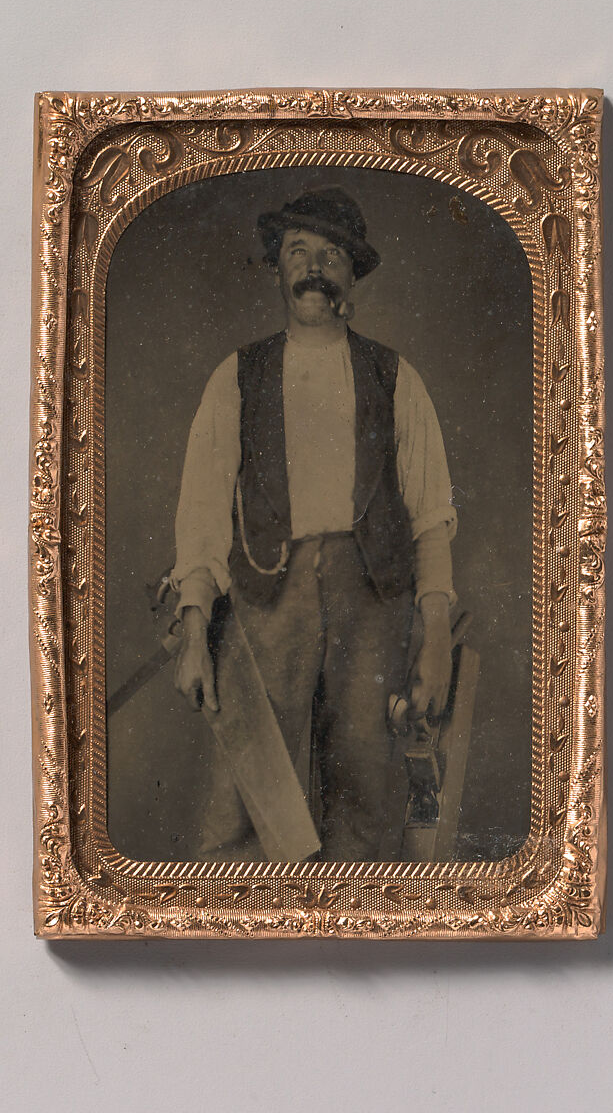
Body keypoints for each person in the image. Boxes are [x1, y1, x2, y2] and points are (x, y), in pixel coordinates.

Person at [170, 186, 457, 860]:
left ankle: (348, 945)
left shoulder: (395, 377)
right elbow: (202, 512)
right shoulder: (236, 377)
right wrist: (191, 632)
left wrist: (436, 636)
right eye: (297, 252)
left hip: (372, 603)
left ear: (351, 273)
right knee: (243, 797)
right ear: (275, 268)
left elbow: (431, 514)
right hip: (267, 601)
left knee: (365, 791)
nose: (313, 268)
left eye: (330, 254)